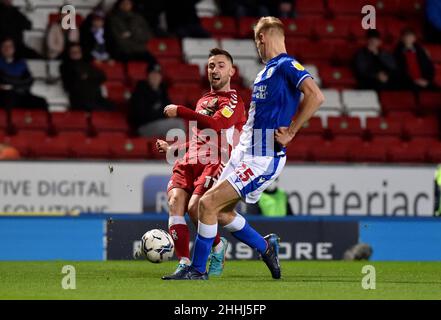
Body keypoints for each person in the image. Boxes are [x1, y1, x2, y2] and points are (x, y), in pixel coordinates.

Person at [162, 16, 324, 280]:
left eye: (256, 41)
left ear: (262, 38)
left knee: (208, 203)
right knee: (219, 211)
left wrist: (292, 130)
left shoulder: (286, 65)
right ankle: (265, 246)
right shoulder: (265, 71)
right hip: (243, 153)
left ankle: (198, 269)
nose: (256, 47)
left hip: (262, 156)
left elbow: (316, 95)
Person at [151, 48, 247, 279]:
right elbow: (199, 138)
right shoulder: (203, 99)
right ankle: (184, 262)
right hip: (191, 158)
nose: (215, 69)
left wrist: (180, 111)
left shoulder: (234, 100)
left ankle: (217, 246)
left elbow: (215, 126)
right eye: (211, 65)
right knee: (175, 202)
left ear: (232, 71)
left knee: (195, 208)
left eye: (221, 65)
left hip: (216, 161)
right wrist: (175, 148)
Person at [128, 63, 185, 137]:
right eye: (153, 74)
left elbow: (171, 110)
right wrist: (161, 113)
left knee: (182, 124)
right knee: (178, 124)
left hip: (160, 123)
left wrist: (158, 112)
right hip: (144, 127)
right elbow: (141, 116)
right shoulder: (140, 91)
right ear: (148, 76)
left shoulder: (162, 90)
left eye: (158, 74)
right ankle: (183, 148)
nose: (155, 77)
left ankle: (174, 148)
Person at [59, 43, 114, 111]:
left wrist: (87, 76)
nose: (76, 54)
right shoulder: (65, 66)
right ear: (68, 53)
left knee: (112, 107)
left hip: (95, 97)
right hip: (80, 99)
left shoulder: (86, 64)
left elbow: (102, 76)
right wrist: (90, 77)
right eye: (73, 52)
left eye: (78, 52)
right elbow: (75, 79)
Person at [0, 38, 48, 110]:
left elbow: (28, 81)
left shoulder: (21, 63)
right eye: (4, 46)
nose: (7, 49)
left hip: (21, 93)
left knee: (41, 102)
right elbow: (3, 80)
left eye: (10, 46)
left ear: (14, 48)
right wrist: (17, 83)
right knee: (9, 98)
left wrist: (12, 86)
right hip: (4, 96)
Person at [107, 0, 157, 66]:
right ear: (119, 5)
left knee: (154, 63)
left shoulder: (139, 18)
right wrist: (137, 37)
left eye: (128, 3)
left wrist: (132, 34)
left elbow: (149, 36)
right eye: (124, 3)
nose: (126, 5)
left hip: (141, 50)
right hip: (124, 52)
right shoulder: (113, 19)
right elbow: (118, 40)